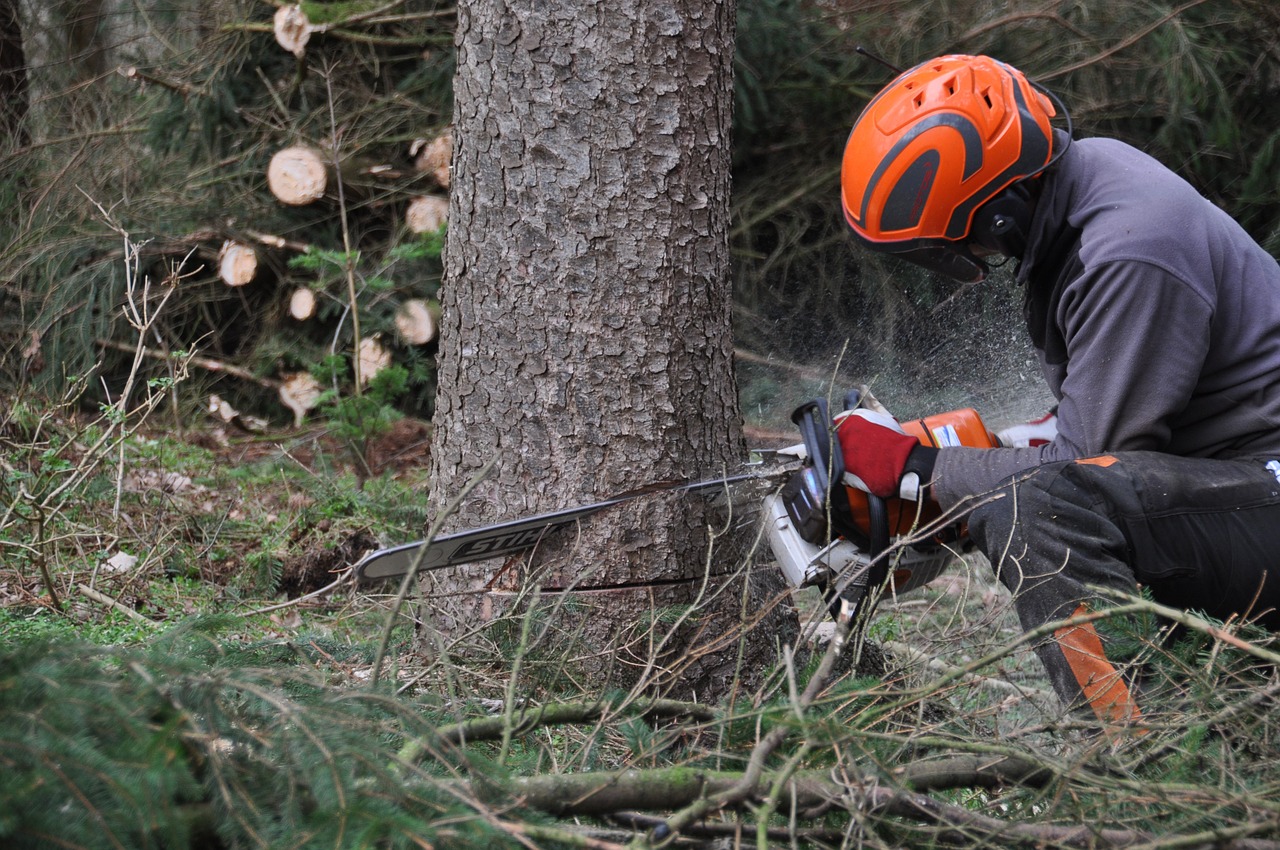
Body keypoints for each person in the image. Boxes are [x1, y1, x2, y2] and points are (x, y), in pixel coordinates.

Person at [833, 53, 1280, 726]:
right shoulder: (1084, 186)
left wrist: (920, 470)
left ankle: (1135, 764)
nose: (967, 259)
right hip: (1239, 478)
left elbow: (1084, 471)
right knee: (1032, 490)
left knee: (1039, 511)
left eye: (956, 243)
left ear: (999, 215)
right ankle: (1209, 716)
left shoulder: (1128, 250)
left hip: (1264, 485)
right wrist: (962, 458)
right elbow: (1105, 417)